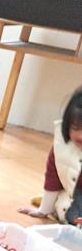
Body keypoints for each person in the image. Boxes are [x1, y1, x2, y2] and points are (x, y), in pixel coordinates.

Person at [18, 85, 82, 225]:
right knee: (69, 212)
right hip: (71, 192)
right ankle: (53, 203)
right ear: (67, 125)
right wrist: (43, 210)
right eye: (75, 128)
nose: (80, 136)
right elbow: (53, 178)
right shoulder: (60, 147)